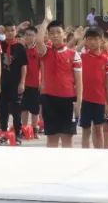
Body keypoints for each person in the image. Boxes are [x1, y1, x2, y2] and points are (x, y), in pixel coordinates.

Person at [35, 14, 81, 149]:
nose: (55, 35)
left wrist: (79, 102)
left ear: (64, 34)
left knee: (67, 139)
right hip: (49, 99)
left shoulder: (74, 55)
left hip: (68, 100)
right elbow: (38, 41)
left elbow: (79, 82)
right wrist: (46, 21)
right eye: (51, 33)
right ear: (48, 35)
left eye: (58, 32)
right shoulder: (46, 52)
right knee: (52, 138)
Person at [78, 28, 108, 149]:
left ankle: (99, 155)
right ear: (86, 41)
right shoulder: (81, 57)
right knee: (86, 131)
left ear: (101, 40)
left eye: (95, 39)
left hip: (100, 101)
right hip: (85, 100)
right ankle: (85, 155)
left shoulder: (107, 60)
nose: (92, 42)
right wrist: (81, 38)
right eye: (89, 39)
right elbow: (72, 51)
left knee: (99, 130)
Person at [19, 27, 41, 134]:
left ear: (35, 37)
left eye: (31, 35)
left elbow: (43, 67)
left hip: (35, 84)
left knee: (35, 109)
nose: (29, 37)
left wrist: (42, 82)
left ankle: (34, 129)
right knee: (24, 108)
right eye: (27, 34)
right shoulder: (21, 49)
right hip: (23, 84)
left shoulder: (39, 50)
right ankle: (24, 129)